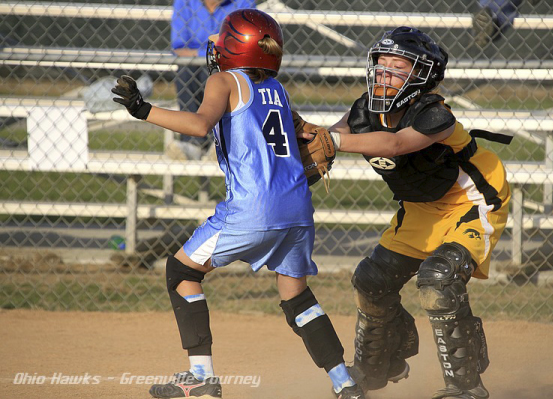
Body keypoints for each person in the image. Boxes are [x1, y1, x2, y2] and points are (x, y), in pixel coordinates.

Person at [112, 9, 364, 399]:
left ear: (235, 47)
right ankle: (344, 383)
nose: (215, 45)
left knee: (181, 271)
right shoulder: (277, 90)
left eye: (223, 38)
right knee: (297, 298)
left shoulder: (223, 80)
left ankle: (201, 378)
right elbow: (308, 132)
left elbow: (199, 125)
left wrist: (142, 110)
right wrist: (346, 126)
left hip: (252, 209)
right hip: (297, 208)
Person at [296, 27, 511, 399]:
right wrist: (308, 141)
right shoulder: (364, 109)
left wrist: (336, 141)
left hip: (471, 201)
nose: (384, 72)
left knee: (439, 279)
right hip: (421, 208)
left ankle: (466, 387)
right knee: (371, 280)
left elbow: (395, 144)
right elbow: (331, 138)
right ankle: (376, 369)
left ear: (421, 76)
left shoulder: (433, 114)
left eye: (398, 66)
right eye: (381, 64)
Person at [168, 0, 255, 160]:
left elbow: (243, 45)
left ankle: (223, 140)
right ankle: (193, 143)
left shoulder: (243, 2)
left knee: (214, 71)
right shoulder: (184, 2)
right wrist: (211, 55)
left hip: (229, 66)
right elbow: (179, 47)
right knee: (187, 69)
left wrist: (202, 55)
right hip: (195, 66)